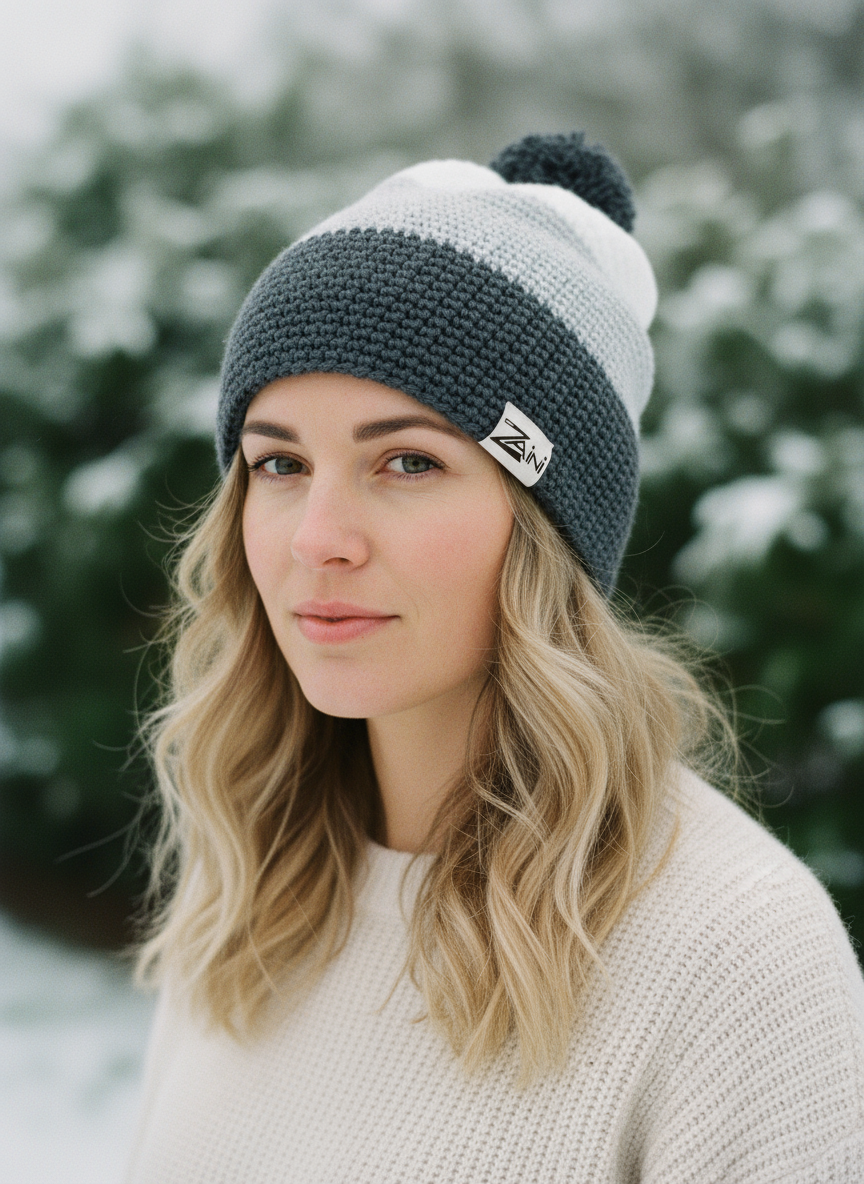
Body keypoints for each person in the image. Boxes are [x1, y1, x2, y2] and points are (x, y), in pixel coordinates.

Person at [124, 133, 864, 1183]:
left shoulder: (737, 953)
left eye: (409, 460)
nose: (315, 535)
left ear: (547, 524)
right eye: (279, 461)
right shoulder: (248, 873)